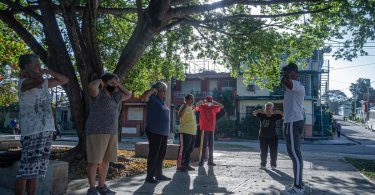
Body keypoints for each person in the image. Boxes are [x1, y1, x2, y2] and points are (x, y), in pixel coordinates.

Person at [15, 54, 69, 195]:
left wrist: (48, 71)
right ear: (27, 66)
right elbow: (38, 79)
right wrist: (33, 73)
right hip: (32, 131)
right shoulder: (24, 82)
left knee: (36, 171)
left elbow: (64, 80)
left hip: (46, 130)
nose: (39, 65)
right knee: (26, 171)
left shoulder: (43, 82)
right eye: (36, 63)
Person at [85, 73, 132, 195]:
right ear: (104, 83)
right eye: (112, 83)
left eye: (115, 83)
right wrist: (101, 80)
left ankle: (101, 186)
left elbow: (128, 94)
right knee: (94, 161)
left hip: (112, 132)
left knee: (106, 161)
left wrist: (118, 84)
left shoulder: (115, 96)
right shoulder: (97, 94)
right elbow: (92, 87)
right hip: (97, 131)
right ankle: (91, 188)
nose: (114, 85)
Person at [280, 62, 305, 195]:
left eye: (290, 72)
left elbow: (287, 81)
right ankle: (298, 182)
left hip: (293, 122)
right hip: (292, 122)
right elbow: (284, 81)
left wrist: (287, 73)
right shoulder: (293, 86)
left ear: (295, 73)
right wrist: (286, 74)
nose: (287, 75)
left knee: (295, 155)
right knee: (295, 154)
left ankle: (298, 187)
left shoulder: (296, 85)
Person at [142, 81, 171, 183]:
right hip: (154, 131)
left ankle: (159, 174)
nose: (164, 92)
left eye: (165, 91)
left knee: (161, 154)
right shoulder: (153, 98)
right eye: (162, 90)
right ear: (157, 90)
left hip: (163, 132)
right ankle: (149, 176)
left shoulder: (162, 101)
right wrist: (151, 90)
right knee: (154, 154)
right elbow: (144, 97)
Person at [253, 102, 283, 170]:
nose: (268, 109)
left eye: (270, 108)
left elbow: (284, 116)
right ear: (265, 108)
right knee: (263, 152)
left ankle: (273, 165)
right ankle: (263, 165)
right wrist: (260, 110)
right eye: (267, 108)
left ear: (272, 109)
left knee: (273, 152)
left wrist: (278, 111)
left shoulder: (275, 116)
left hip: (273, 137)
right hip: (262, 137)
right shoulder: (261, 115)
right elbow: (254, 113)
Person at [195, 96, 223, 166]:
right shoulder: (202, 106)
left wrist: (214, 102)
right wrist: (203, 102)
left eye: (210, 102)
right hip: (204, 128)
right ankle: (201, 161)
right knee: (203, 146)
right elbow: (196, 106)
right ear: (205, 101)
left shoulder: (214, 107)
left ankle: (210, 161)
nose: (209, 103)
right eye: (208, 101)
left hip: (211, 128)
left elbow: (222, 106)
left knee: (211, 146)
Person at [177, 94, 197, 172]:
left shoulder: (192, 108)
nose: (192, 101)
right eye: (190, 99)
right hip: (185, 131)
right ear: (186, 100)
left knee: (190, 149)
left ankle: (186, 164)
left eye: (193, 99)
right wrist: (185, 104)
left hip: (192, 132)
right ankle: (180, 165)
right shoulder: (183, 106)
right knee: (183, 149)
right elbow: (180, 115)